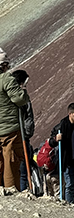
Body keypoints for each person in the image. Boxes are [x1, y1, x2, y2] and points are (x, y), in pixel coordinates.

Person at [0, 49, 29, 190]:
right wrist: (23, 91)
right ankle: (11, 191)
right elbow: (19, 99)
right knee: (11, 161)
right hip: (9, 128)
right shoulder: (6, 79)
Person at [49, 103, 74, 202]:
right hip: (66, 159)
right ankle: (69, 202)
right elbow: (51, 142)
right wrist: (56, 139)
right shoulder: (62, 126)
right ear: (70, 113)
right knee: (70, 183)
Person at [11, 70, 35, 191]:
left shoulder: (7, 95)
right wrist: (27, 134)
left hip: (9, 136)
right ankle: (24, 191)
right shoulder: (23, 97)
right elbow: (28, 120)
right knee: (23, 172)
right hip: (22, 138)